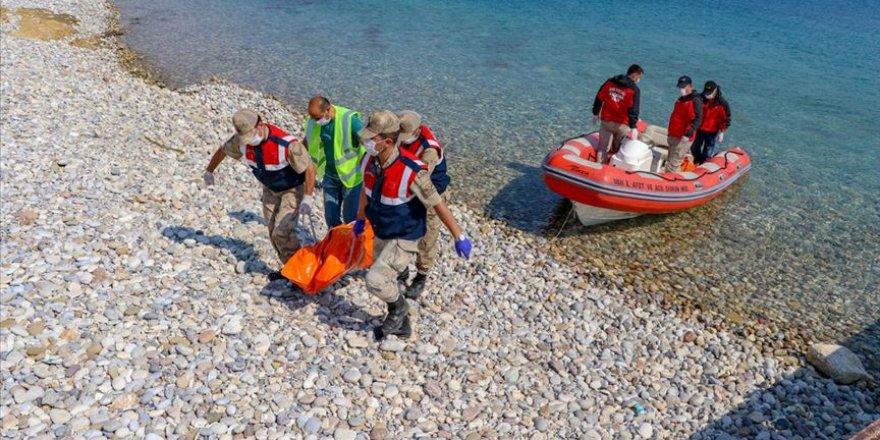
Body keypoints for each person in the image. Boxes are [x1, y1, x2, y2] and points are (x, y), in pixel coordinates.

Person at [354, 110, 472, 340]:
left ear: (387, 141)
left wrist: (459, 236)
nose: (364, 141)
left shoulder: (412, 171)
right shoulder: (368, 161)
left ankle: (399, 309)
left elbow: (437, 204)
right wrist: (360, 219)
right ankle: (402, 325)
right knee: (385, 275)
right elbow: (365, 193)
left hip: (406, 234)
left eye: (370, 138)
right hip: (383, 228)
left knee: (375, 281)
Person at [203, 109, 316, 280]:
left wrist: (307, 197)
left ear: (261, 126)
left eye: (251, 136)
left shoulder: (287, 144)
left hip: (292, 189)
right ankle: (291, 269)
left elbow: (309, 168)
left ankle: (303, 272)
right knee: (272, 232)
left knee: (281, 231)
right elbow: (223, 151)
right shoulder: (241, 141)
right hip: (269, 189)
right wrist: (209, 171)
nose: (249, 142)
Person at [394, 110, 451, 298]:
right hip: (407, 187)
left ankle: (421, 274)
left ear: (417, 132)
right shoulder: (402, 134)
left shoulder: (429, 150)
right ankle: (400, 268)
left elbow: (421, 180)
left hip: (430, 192)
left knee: (427, 236)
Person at [303, 96, 365, 229]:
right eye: (312, 117)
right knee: (331, 218)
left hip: (351, 180)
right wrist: (307, 196)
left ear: (328, 110)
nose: (314, 121)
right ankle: (335, 245)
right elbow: (306, 147)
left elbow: (370, 143)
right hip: (330, 177)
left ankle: (352, 246)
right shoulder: (313, 122)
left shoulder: (349, 121)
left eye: (317, 117)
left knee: (350, 220)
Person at [591, 64, 644, 163]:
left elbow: (599, 98)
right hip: (622, 124)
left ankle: (600, 167)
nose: (639, 80)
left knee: (602, 148)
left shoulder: (610, 82)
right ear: (635, 75)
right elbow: (633, 110)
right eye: (639, 77)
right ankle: (611, 171)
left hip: (606, 120)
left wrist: (595, 113)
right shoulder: (634, 90)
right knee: (618, 150)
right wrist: (633, 127)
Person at [666, 76, 703, 172]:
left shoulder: (694, 101)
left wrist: (687, 134)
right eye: (680, 87)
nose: (681, 89)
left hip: (683, 137)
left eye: (684, 87)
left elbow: (697, 120)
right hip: (674, 135)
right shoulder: (682, 99)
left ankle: (671, 183)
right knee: (670, 160)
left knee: (674, 164)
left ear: (690, 86)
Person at [691, 80, 732, 164]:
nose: (707, 95)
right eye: (706, 93)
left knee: (707, 152)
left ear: (715, 90)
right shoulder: (700, 99)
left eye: (709, 93)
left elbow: (726, 119)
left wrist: (722, 132)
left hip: (712, 131)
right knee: (694, 148)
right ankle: (697, 161)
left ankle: (703, 164)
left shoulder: (722, 103)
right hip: (699, 129)